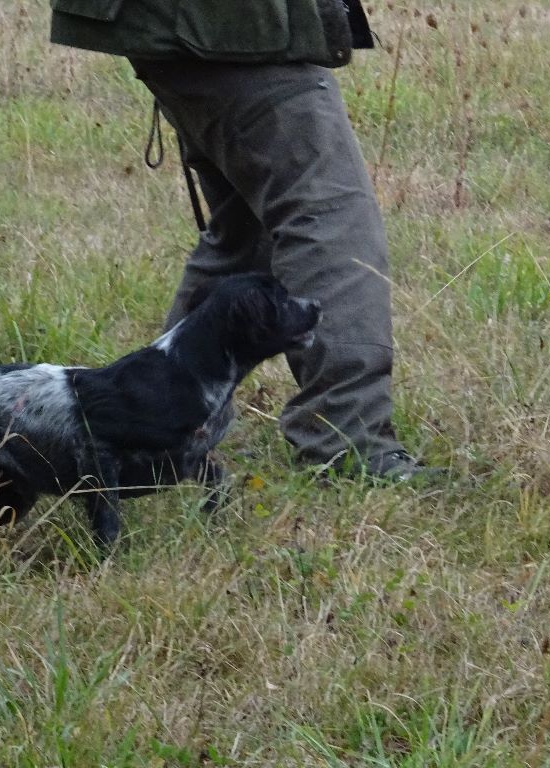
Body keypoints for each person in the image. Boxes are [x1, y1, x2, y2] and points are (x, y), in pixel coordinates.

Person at [50, 0, 436, 481]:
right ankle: (348, 443)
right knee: (331, 219)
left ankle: (150, 432)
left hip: (199, 24)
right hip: (223, 25)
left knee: (247, 235)